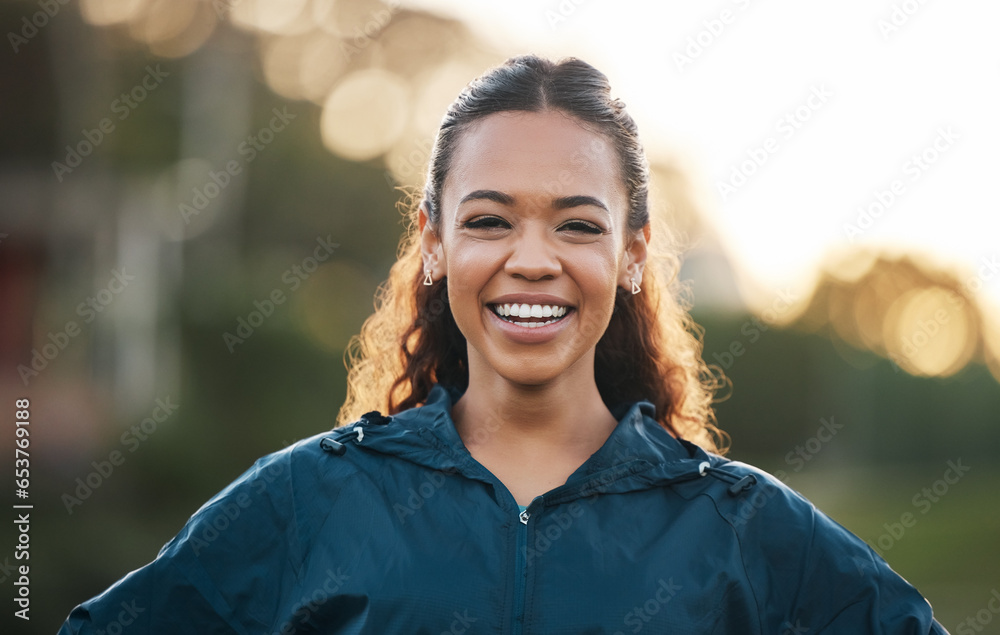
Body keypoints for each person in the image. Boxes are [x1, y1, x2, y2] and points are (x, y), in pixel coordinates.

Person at [60, 54, 948, 634]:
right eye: (489, 220)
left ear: (631, 253)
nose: (532, 261)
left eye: (576, 225)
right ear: (437, 242)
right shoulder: (308, 501)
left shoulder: (746, 529)